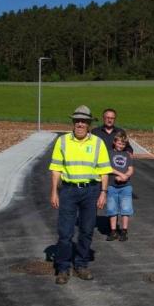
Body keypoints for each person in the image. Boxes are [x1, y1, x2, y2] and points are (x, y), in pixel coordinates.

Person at [49, 105, 113, 285]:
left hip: (91, 191)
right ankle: (63, 268)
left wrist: (103, 192)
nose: (80, 124)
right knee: (65, 232)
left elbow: (104, 171)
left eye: (84, 121)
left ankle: (81, 264)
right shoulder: (62, 141)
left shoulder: (98, 143)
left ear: (89, 124)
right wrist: (54, 192)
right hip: (68, 191)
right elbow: (55, 169)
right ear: (73, 122)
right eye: (77, 121)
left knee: (86, 230)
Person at [105, 130, 135, 241]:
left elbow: (131, 169)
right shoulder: (109, 153)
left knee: (126, 209)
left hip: (125, 186)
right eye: (119, 143)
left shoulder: (127, 155)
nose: (120, 145)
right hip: (112, 186)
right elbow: (108, 168)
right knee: (112, 208)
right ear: (114, 142)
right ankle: (113, 231)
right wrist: (120, 174)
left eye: (123, 144)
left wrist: (125, 176)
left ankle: (124, 231)